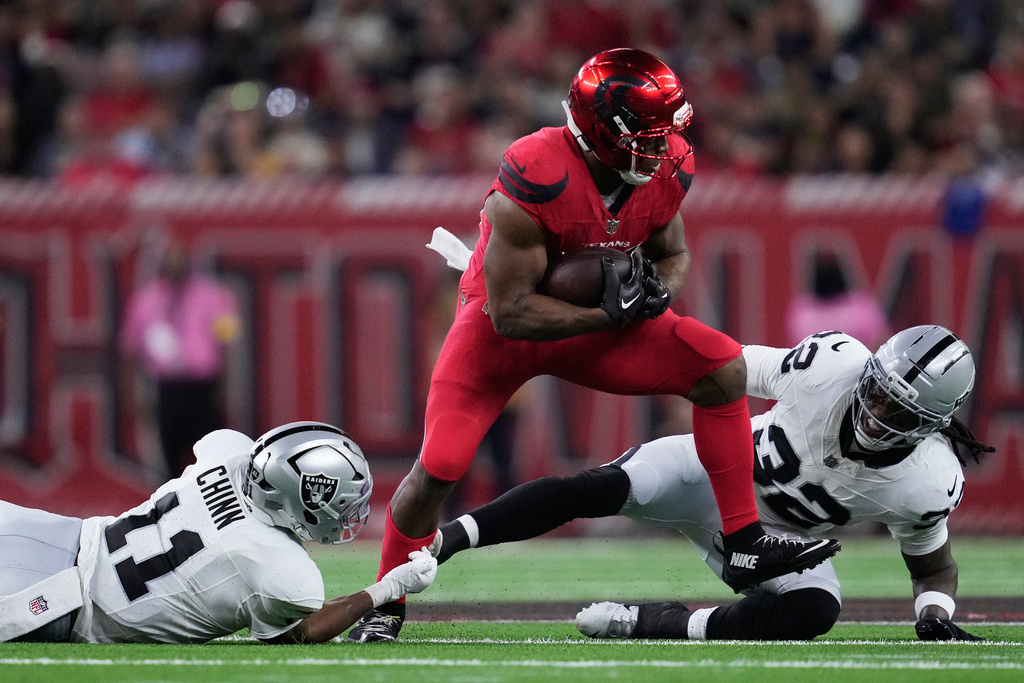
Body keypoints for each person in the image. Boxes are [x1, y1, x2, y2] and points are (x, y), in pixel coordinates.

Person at [348, 47, 840, 642]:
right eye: (647, 135)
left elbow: (673, 255)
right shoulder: (536, 171)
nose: (661, 149)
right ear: (600, 130)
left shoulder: (667, 167)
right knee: (442, 465)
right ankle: (386, 598)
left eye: (665, 135)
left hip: (600, 323)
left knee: (721, 368)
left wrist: (653, 296)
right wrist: (607, 312)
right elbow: (510, 314)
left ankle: (743, 542)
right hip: (504, 332)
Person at [433, 326, 992, 642]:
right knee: (599, 487)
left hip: (782, 543)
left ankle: (661, 623)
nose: (872, 414)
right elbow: (728, 367)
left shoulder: (929, 479)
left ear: (930, 426)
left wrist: (934, 615)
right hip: (716, 476)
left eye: (895, 412)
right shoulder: (832, 366)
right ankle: (445, 540)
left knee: (816, 610)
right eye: (874, 393)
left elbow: (933, 565)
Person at [0, 421, 437, 644]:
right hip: (62, 603)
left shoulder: (225, 450)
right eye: (341, 502)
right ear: (297, 501)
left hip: (57, 533)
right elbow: (298, 632)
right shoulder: (283, 571)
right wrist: (387, 588)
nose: (347, 514)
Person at [121, 240, 241, 477]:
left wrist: (229, 387)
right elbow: (130, 351)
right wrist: (131, 393)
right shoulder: (147, 300)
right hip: (168, 389)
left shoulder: (212, 297)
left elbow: (228, 344)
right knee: (169, 457)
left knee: (210, 457)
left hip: (204, 388)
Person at [785, 252, 890, 350]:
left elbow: (796, 350)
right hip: (858, 367)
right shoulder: (860, 307)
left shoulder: (802, 311)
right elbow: (881, 342)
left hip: (818, 369)